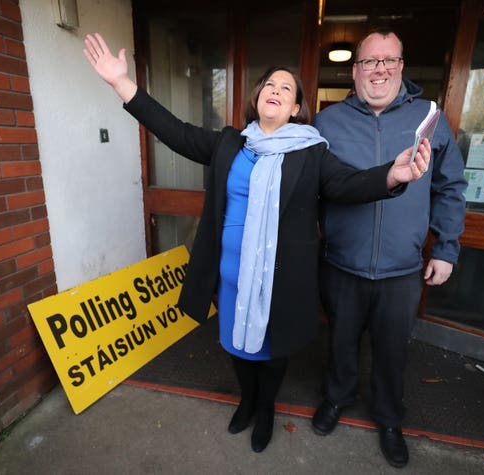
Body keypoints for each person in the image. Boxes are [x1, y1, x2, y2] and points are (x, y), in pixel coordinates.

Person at [83, 33, 431, 454]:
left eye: (287, 88)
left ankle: (265, 407)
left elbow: (347, 184)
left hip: (280, 280)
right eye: (270, 84)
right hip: (230, 275)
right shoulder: (230, 143)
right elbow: (173, 131)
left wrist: (391, 175)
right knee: (234, 343)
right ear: (258, 97)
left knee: (272, 350)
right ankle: (247, 400)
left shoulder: (311, 152)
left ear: (296, 108)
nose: (277, 91)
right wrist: (122, 83)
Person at [311, 28, 467, 468]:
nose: (379, 69)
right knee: (340, 341)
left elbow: (451, 186)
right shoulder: (328, 122)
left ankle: (389, 418)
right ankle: (337, 399)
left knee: (393, 349)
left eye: (388, 60)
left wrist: (446, 248)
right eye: (369, 61)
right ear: (355, 70)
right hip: (342, 261)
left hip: (401, 267)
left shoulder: (429, 118)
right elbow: (315, 188)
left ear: (401, 66)